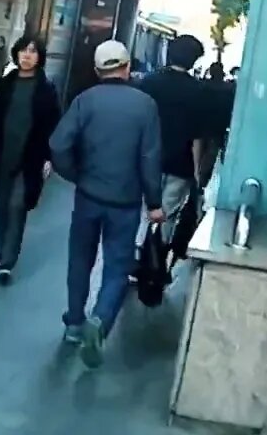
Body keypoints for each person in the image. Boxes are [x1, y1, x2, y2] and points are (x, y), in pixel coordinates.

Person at [49, 40, 164, 369]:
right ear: (127, 67)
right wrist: (154, 202)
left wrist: (76, 175)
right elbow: (150, 158)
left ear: (98, 70)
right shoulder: (145, 105)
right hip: (126, 203)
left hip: (88, 196)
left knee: (80, 260)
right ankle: (99, 321)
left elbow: (58, 144)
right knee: (117, 265)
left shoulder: (85, 101)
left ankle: (73, 322)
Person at [137, 35, 234, 252]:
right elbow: (197, 137)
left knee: (143, 210)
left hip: (146, 159)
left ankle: (135, 253)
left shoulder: (149, 82)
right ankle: (154, 258)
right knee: (167, 214)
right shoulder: (198, 91)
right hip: (180, 163)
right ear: (194, 61)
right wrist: (197, 171)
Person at [0, 35, 62, 284]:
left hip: (30, 158)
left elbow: (52, 125)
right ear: (16, 54)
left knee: (17, 206)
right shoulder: (6, 84)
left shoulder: (46, 89)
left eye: (33, 51)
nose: (27, 55)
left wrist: (49, 156)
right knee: (2, 206)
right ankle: (4, 249)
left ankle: (7, 261)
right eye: (23, 51)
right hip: (2, 154)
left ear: (40, 57)